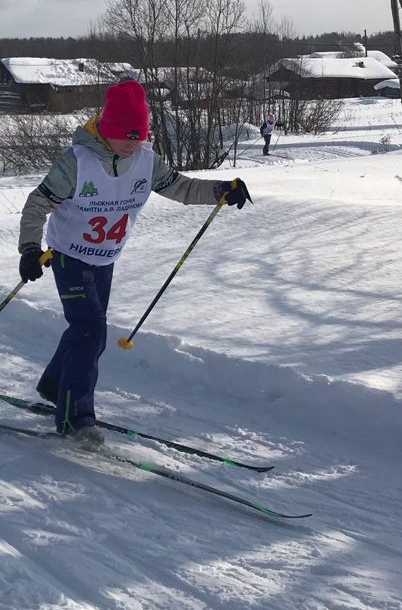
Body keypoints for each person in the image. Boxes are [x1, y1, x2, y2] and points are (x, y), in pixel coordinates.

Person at [17, 78, 251, 441]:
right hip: (68, 256)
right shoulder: (77, 162)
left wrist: (221, 189)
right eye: (126, 134)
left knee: (87, 329)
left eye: (139, 134)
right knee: (90, 330)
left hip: (105, 257)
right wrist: (30, 249)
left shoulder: (145, 160)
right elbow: (37, 204)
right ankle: (74, 419)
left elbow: (182, 187)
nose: (132, 142)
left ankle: (54, 386)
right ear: (106, 129)